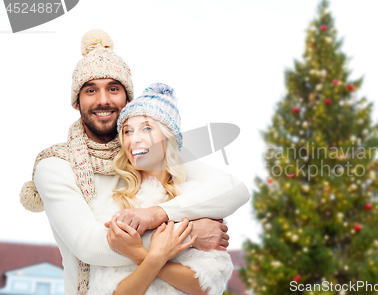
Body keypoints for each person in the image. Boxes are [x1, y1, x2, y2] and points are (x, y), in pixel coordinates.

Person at [19, 29, 250, 295]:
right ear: (77, 101)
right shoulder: (56, 165)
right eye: (91, 90)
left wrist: (157, 215)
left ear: (127, 98)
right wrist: (190, 233)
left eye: (113, 89)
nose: (103, 100)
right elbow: (89, 244)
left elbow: (233, 188)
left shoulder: (147, 152)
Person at [88, 83, 235, 295]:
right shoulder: (113, 203)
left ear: (168, 137)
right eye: (128, 131)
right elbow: (110, 291)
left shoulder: (197, 200)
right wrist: (157, 255)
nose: (134, 138)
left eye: (147, 128)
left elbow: (204, 285)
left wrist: (139, 254)